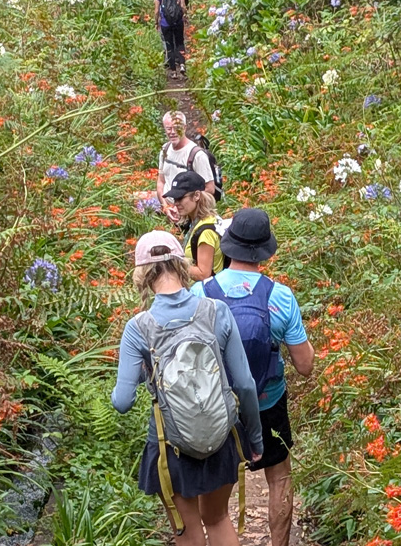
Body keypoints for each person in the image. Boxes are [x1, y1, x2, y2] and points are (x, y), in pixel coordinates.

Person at [112, 231, 264, 545]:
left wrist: (145, 373)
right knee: (218, 519)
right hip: (221, 436)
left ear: (142, 274)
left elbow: (122, 401)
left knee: (189, 534)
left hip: (170, 446)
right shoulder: (216, 311)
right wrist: (256, 439)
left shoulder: (138, 328)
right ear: (181, 264)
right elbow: (245, 384)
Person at [191, 209, 315, 546]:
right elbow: (305, 365)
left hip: (215, 407)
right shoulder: (280, 296)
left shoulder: (200, 294)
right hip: (267, 403)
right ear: (265, 251)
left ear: (228, 245)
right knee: (279, 478)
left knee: (214, 493)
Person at [163, 170, 224, 280]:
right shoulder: (198, 222)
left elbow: (203, 274)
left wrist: (172, 263)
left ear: (196, 195)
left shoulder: (206, 231)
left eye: (180, 198)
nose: (176, 203)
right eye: (175, 199)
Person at [157, 111, 215, 223]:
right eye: (169, 128)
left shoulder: (197, 155)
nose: (173, 132)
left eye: (177, 128)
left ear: (184, 128)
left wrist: (181, 206)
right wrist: (166, 207)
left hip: (190, 216)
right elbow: (161, 181)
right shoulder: (165, 149)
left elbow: (209, 188)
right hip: (169, 213)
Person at [154, 0, 187, 79]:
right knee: (180, 42)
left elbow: (156, 11)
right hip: (178, 21)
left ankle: (173, 71)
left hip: (165, 23)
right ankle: (182, 65)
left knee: (169, 46)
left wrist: (156, 22)